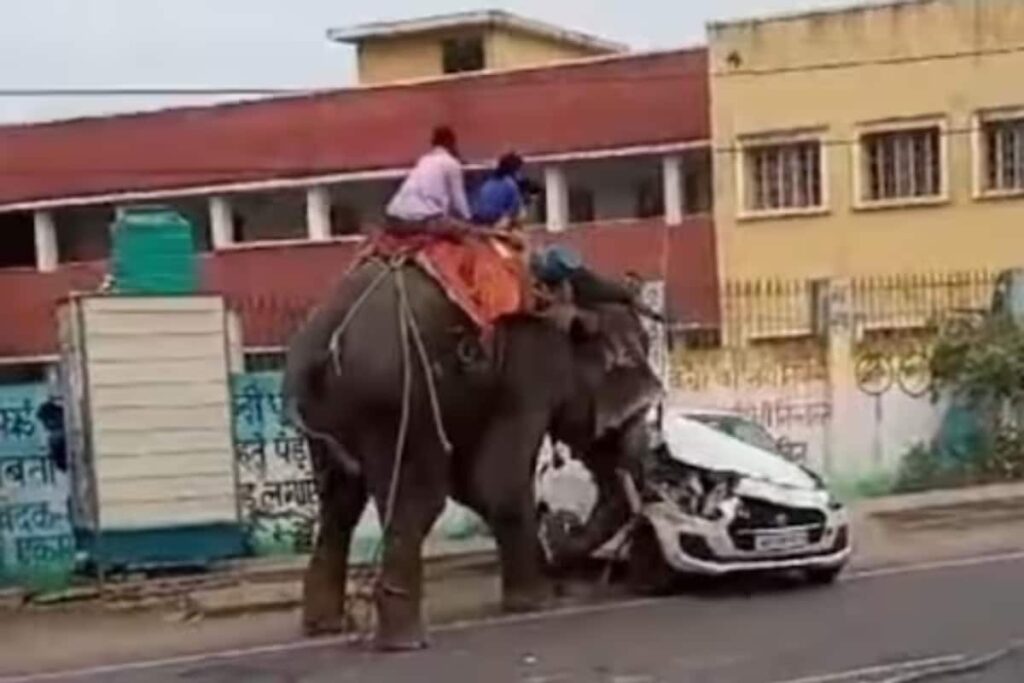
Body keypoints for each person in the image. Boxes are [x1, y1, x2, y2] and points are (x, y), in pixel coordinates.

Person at [386, 126, 472, 233]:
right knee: (463, 229)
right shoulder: (451, 163)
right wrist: (469, 220)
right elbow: (459, 200)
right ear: (451, 143)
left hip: (394, 218)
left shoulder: (424, 160)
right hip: (420, 220)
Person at [471, 152, 526, 228]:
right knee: (522, 213)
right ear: (514, 170)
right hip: (496, 222)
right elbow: (514, 210)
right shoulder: (510, 184)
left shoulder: (487, 180)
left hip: (478, 220)